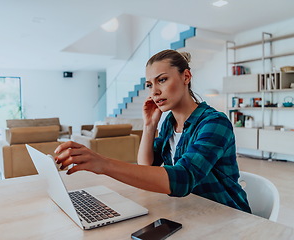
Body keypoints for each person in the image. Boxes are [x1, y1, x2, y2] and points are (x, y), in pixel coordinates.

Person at [55, 49, 251, 214]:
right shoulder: (169, 123)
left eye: (162, 80)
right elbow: (147, 164)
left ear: (186, 76)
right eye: (149, 85)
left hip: (227, 215)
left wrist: (103, 164)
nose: (154, 92)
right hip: (192, 209)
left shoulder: (215, 123)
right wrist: (149, 126)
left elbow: (183, 179)